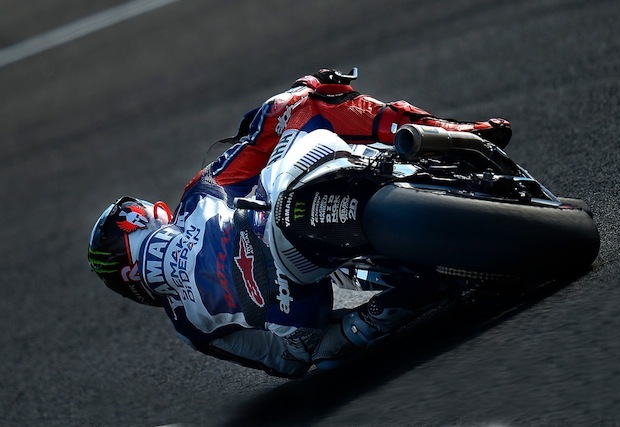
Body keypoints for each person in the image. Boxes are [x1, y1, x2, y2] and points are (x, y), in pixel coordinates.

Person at [88, 68, 511, 378]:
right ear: (141, 220)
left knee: (319, 353)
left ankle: (381, 313)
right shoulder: (197, 196)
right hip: (282, 219)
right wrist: (308, 87)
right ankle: (447, 134)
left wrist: (329, 332)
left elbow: (284, 362)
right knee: (302, 103)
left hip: (299, 299)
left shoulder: (188, 325)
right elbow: (259, 141)